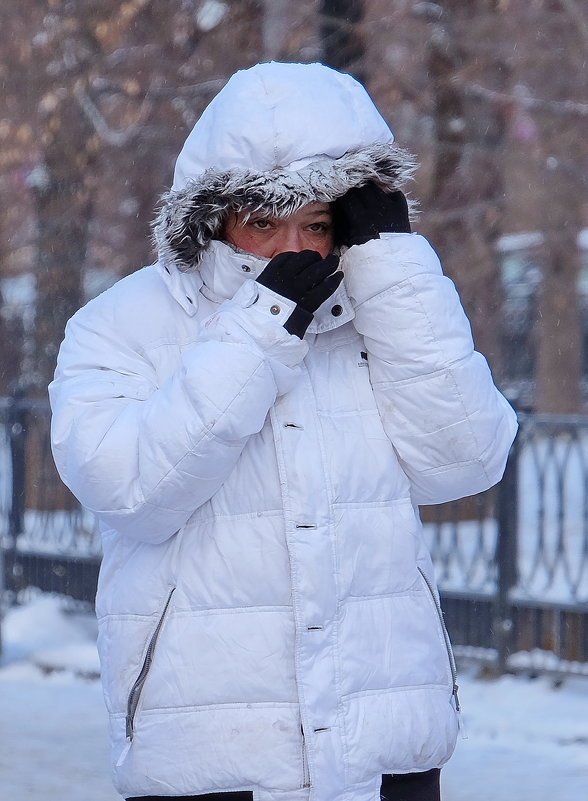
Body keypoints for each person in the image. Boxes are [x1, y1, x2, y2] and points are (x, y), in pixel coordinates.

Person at [49, 61, 518, 801]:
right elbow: (132, 491)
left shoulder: (386, 318)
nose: (293, 248)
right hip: (209, 749)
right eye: (264, 223)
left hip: (382, 741)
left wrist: (395, 271)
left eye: (320, 223)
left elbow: (467, 460)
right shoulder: (121, 325)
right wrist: (260, 330)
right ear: (213, 218)